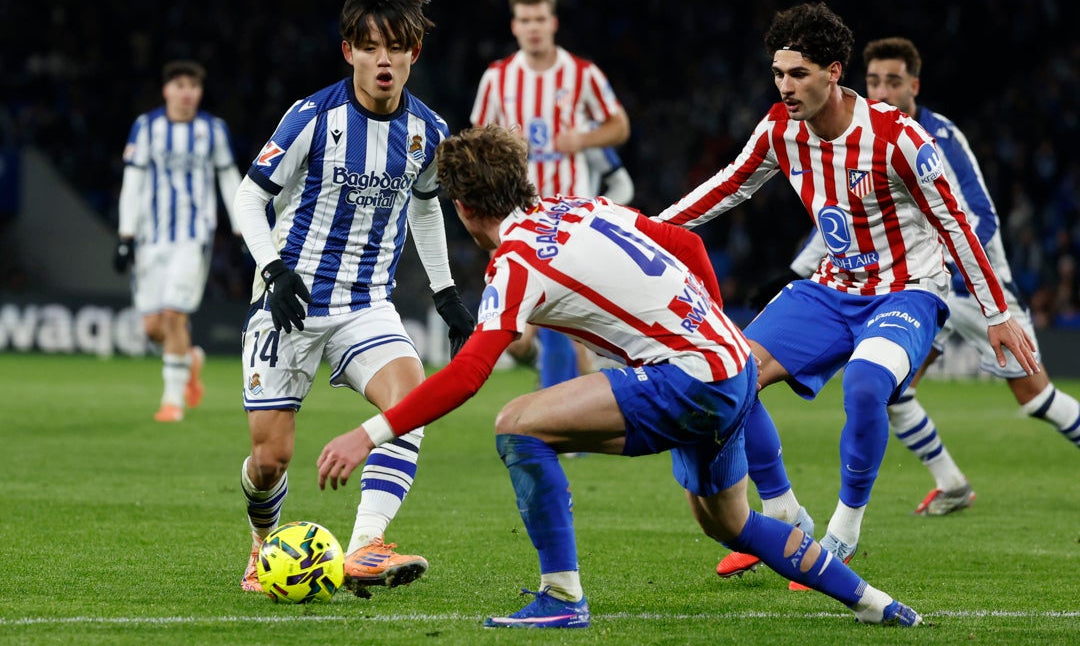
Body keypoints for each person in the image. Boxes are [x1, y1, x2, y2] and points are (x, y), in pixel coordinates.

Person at [315, 124, 922, 628]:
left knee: (517, 425)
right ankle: (875, 604)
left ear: (465, 208)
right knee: (728, 523)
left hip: (689, 379)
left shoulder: (516, 260)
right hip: (730, 365)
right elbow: (684, 242)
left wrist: (368, 433)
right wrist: (713, 329)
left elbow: (473, 371)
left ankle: (561, 597)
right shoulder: (577, 208)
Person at [656, 3, 1038, 584]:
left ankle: (844, 532)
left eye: (799, 74)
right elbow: (728, 187)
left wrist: (997, 312)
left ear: (834, 72)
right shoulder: (779, 130)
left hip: (907, 291)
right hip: (832, 289)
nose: (785, 87)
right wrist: (648, 229)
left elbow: (955, 222)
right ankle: (784, 517)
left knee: (865, 386)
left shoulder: (897, 137)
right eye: (779, 73)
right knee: (729, 373)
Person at [752, 38, 1080, 522]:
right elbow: (846, 221)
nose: (882, 89)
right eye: (874, 80)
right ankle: (951, 483)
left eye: (894, 81)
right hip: (912, 290)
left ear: (914, 86)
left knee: (1037, 398)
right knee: (887, 391)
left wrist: (943, 263)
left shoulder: (940, 138)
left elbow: (981, 217)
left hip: (970, 289)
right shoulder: (857, 136)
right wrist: (799, 270)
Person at [230, 0, 475, 597]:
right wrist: (274, 270)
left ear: (415, 53)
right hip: (290, 302)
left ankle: (366, 546)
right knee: (270, 461)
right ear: (349, 52)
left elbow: (424, 209)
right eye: (371, 48)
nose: (384, 60)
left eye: (397, 47)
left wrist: (445, 293)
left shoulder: (428, 129)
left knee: (409, 403)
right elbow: (249, 196)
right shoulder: (313, 117)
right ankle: (264, 542)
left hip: (366, 305)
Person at [470, 0, 631, 387]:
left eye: (540, 19)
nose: (533, 28)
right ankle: (551, 367)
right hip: (516, 217)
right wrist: (503, 144)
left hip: (568, 216)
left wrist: (582, 139)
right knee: (516, 340)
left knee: (569, 321)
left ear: (553, 22)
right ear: (514, 25)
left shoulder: (582, 73)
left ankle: (573, 420)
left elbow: (619, 125)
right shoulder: (497, 77)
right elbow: (476, 137)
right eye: (525, 20)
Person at [113, 60, 241, 423]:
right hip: (150, 240)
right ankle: (190, 358)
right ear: (167, 90)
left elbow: (228, 177)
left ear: (199, 93)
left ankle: (172, 401)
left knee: (173, 315)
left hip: (192, 237)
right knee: (154, 327)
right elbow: (134, 183)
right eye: (180, 85)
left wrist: (240, 229)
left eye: (194, 87)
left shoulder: (213, 130)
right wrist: (126, 236)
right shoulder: (146, 127)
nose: (187, 93)